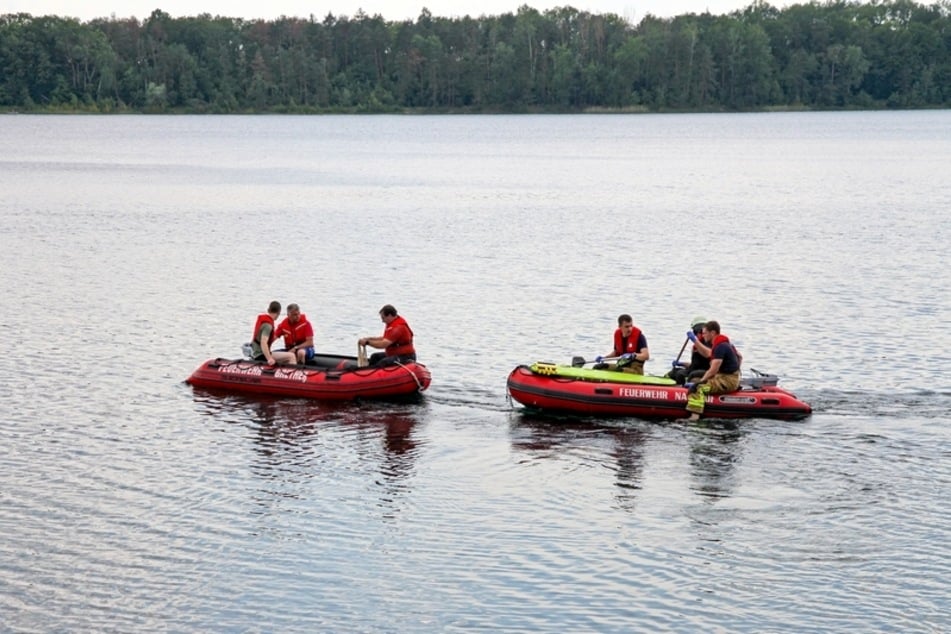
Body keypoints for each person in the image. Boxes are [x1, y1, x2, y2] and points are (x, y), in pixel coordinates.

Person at [685, 320, 742, 420]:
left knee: (698, 388)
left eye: (705, 333)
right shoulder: (723, 344)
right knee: (695, 380)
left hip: (727, 380)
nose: (703, 336)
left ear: (712, 333)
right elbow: (740, 357)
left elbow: (713, 370)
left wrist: (701, 382)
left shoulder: (720, 347)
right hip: (727, 377)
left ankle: (695, 416)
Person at [250, 301, 296, 366]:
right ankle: (293, 375)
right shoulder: (268, 326)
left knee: (284, 358)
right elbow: (263, 342)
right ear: (278, 312)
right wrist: (269, 358)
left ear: (268, 310)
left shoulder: (262, 320)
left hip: (256, 353)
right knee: (291, 356)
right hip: (260, 355)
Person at [668, 315, 710, 385]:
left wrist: (695, 341)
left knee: (680, 374)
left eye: (701, 331)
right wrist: (681, 364)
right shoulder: (695, 347)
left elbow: (708, 354)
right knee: (672, 373)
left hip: (704, 372)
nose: (699, 334)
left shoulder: (709, 344)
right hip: (693, 370)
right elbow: (693, 364)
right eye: (696, 331)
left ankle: (682, 391)